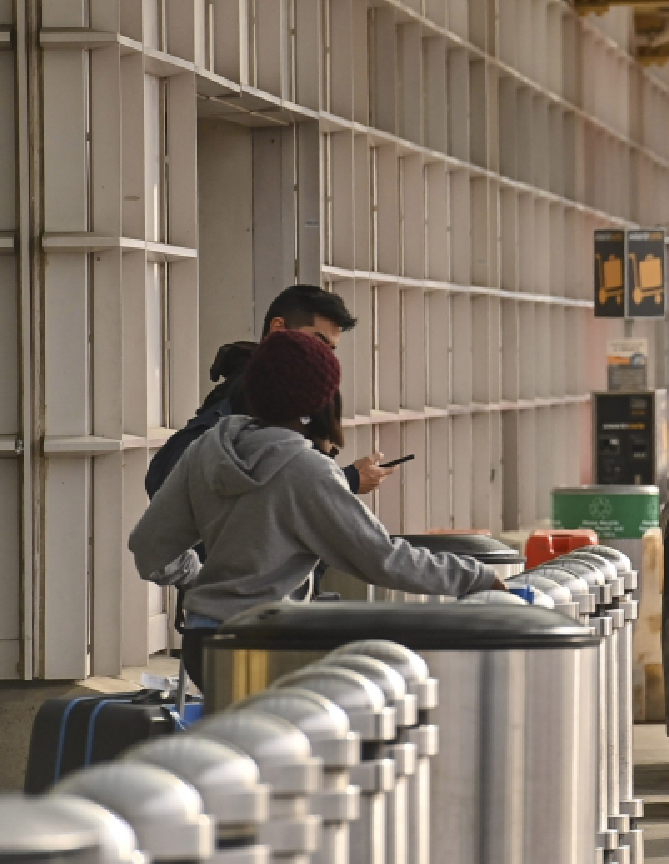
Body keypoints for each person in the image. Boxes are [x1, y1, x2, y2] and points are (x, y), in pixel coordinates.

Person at [130, 330, 499, 687]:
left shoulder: (207, 450)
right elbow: (381, 558)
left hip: (203, 642)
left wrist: (200, 577)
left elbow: (149, 547)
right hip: (272, 645)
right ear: (320, 398)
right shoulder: (308, 470)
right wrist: (475, 577)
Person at [146, 285, 394, 499]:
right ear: (279, 328)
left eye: (331, 349)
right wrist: (347, 480)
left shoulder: (246, 384)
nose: (324, 357)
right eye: (317, 342)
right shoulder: (261, 392)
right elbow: (271, 483)